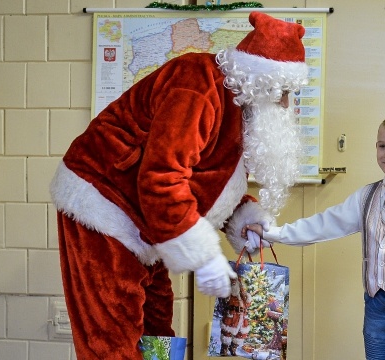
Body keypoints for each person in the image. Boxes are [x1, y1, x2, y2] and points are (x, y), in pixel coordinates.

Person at [49, 12, 308, 359]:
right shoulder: (197, 85)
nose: (287, 105)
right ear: (261, 82)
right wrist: (204, 257)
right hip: (105, 203)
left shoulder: (238, 106)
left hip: (149, 219)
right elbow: (161, 178)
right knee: (112, 338)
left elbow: (207, 176)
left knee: (157, 330)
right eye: (284, 93)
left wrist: (241, 218)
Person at [243, 114, 385, 360]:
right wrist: (272, 232)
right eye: (382, 146)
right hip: (377, 304)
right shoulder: (366, 196)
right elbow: (323, 225)